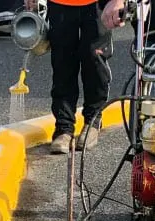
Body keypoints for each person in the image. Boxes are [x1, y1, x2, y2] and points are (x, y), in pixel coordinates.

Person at [25, 0, 113, 154]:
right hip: (60, 3)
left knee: (94, 61)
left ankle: (93, 121)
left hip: (98, 4)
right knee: (62, 64)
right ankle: (63, 128)